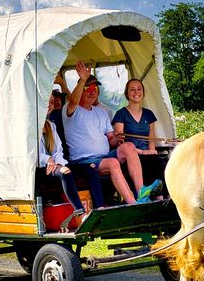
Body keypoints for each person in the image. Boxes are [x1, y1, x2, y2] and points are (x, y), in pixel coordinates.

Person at [62, 61, 146, 208]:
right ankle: (134, 204)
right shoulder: (70, 110)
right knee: (113, 163)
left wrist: (117, 138)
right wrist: (82, 79)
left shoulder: (101, 112)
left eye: (95, 87)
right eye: (88, 87)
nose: (93, 91)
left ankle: (141, 194)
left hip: (104, 157)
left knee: (129, 146)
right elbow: (74, 100)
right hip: (83, 161)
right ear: (81, 88)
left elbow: (111, 140)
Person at [112, 78, 163, 200]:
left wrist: (151, 150)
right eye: (132, 90)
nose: (136, 92)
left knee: (159, 160)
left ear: (143, 93)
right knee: (148, 161)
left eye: (139, 89)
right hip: (130, 157)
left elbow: (151, 138)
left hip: (146, 154)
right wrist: (143, 152)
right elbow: (121, 142)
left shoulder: (148, 114)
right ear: (127, 94)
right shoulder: (121, 114)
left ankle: (160, 199)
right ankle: (148, 197)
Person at [38, 94, 85, 224]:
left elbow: (58, 150)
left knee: (89, 169)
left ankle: (99, 207)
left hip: (53, 166)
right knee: (65, 172)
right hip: (38, 168)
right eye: (46, 101)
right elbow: (29, 153)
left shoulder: (50, 125)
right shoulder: (30, 125)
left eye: (52, 102)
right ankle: (80, 212)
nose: (50, 105)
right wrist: (48, 160)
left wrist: (57, 163)